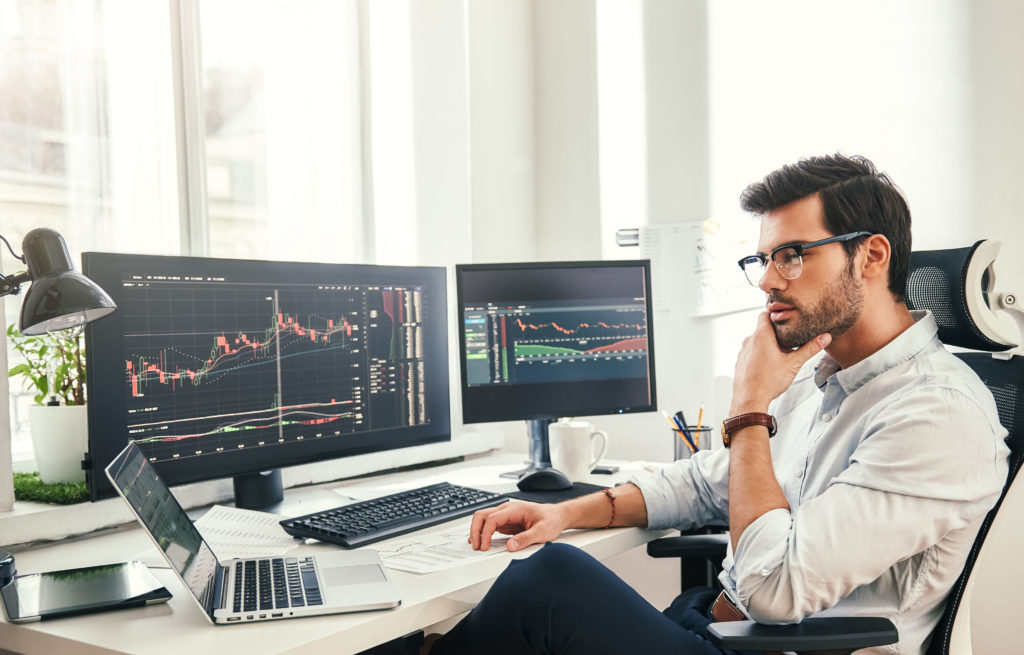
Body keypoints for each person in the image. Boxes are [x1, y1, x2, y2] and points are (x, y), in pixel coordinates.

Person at [425, 154, 1010, 655]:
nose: (768, 282)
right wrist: (565, 513)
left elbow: (774, 589)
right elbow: (708, 483)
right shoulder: (824, 376)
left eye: (793, 254)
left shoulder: (938, 414)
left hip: (772, 641)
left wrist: (750, 406)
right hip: (715, 626)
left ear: (872, 256)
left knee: (546, 586)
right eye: (764, 259)